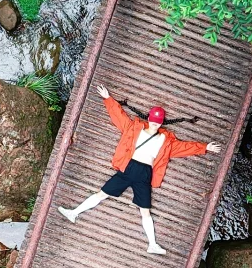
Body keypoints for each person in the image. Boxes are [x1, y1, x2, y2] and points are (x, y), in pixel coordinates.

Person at [58, 83, 222, 254]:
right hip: (129, 167)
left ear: (161, 123)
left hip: (145, 173)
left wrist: (204, 147)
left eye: (158, 122)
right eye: (153, 121)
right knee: (102, 194)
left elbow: (183, 148)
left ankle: (152, 245)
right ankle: (74, 213)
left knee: (145, 210)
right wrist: (108, 99)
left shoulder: (166, 141)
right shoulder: (135, 128)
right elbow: (119, 117)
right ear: (149, 118)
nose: (155, 124)